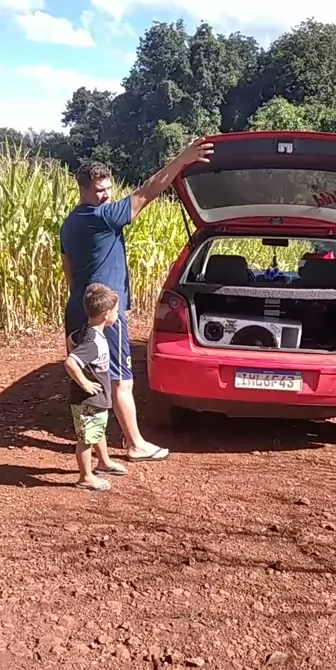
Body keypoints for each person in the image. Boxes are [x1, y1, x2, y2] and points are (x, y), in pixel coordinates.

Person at [60, 136, 214, 462]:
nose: (106, 195)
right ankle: (135, 444)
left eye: (108, 188)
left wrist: (85, 300)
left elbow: (68, 270)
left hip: (79, 308)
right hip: (105, 313)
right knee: (120, 379)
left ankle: (93, 447)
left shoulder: (70, 223)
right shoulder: (103, 216)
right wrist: (182, 159)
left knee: (91, 379)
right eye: (99, 190)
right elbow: (149, 190)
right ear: (83, 190)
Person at [65, 283, 125, 492]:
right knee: (86, 439)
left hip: (96, 400)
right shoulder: (93, 342)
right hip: (88, 401)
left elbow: (71, 340)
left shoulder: (87, 331)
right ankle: (86, 477)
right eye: (116, 311)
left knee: (98, 431)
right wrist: (85, 383)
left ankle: (104, 462)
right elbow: (71, 362)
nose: (117, 314)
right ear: (106, 315)